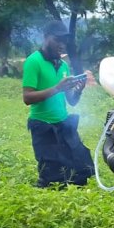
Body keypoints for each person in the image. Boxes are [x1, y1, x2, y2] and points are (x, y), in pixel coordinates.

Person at [22, 20, 95, 187]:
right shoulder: (34, 61)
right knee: (53, 178)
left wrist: (79, 89)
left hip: (63, 124)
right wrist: (57, 88)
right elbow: (27, 97)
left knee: (81, 171)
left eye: (64, 41)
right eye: (58, 40)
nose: (62, 45)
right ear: (46, 37)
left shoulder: (63, 66)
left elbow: (71, 101)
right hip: (42, 126)